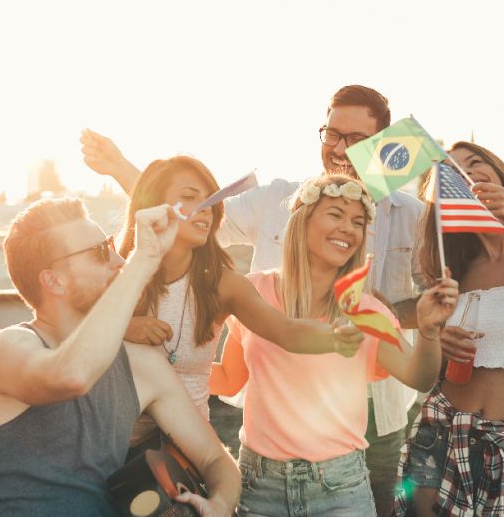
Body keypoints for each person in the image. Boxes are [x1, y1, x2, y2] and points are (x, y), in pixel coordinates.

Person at [82, 85, 429, 516]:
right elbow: (198, 217)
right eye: (331, 134)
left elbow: (432, 294)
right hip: (274, 418)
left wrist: (378, 316)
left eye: (356, 140)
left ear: (383, 142)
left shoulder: (413, 214)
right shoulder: (280, 199)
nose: (340, 149)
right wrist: (121, 168)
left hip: (374, 411)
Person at [207, 174, 457, 516]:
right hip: (258, 486)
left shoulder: (367, 310)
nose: (349, 228)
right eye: (336, 214)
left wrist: (429, 332)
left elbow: (419, 377)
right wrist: (164, 365)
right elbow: (228, 378)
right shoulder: (254, 293)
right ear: (301, 220)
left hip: (338, 491)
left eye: (358, 222)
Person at [0, 198, 240, 516]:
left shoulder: (141, 363)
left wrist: (220, 505)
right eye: (100, 252)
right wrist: (144, 260)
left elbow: (215, 459)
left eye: (110, 245)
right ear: (53, 280)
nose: (118, 260)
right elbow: (72, 375)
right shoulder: (8, 349)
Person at [115, 155, 365, 444]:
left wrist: (334, 337)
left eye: (211, 199)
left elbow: (286, 331)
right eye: (189, 196)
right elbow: (66, 338)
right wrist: (123, 328)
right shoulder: (111, 272)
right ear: (154, 204)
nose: (205, 208)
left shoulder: (225, 284)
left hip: (186, 454)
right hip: (109, 447)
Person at [394, 142, 504, 517]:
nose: (467, 174)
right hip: (441, 428)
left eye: (476, 164)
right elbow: (415, 324)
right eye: (454, 173)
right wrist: (438, 339)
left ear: (502, 176)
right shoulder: (457, 267)